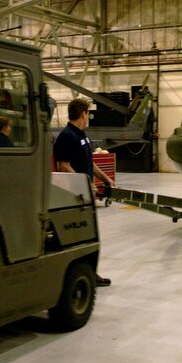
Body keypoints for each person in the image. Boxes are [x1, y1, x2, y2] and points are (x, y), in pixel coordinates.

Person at [53, 98, 114, 287]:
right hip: (73, 196)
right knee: (77, 237)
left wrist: (105, 179)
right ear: (83, 114)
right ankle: (80, 275)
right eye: (88, 113)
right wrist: (84, 183)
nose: (89, 117)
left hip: (86, 194)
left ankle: (90, 273)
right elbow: (64, 167)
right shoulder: (67, 136)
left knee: (90, 236)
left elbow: (90, 163)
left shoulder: (83, 136)